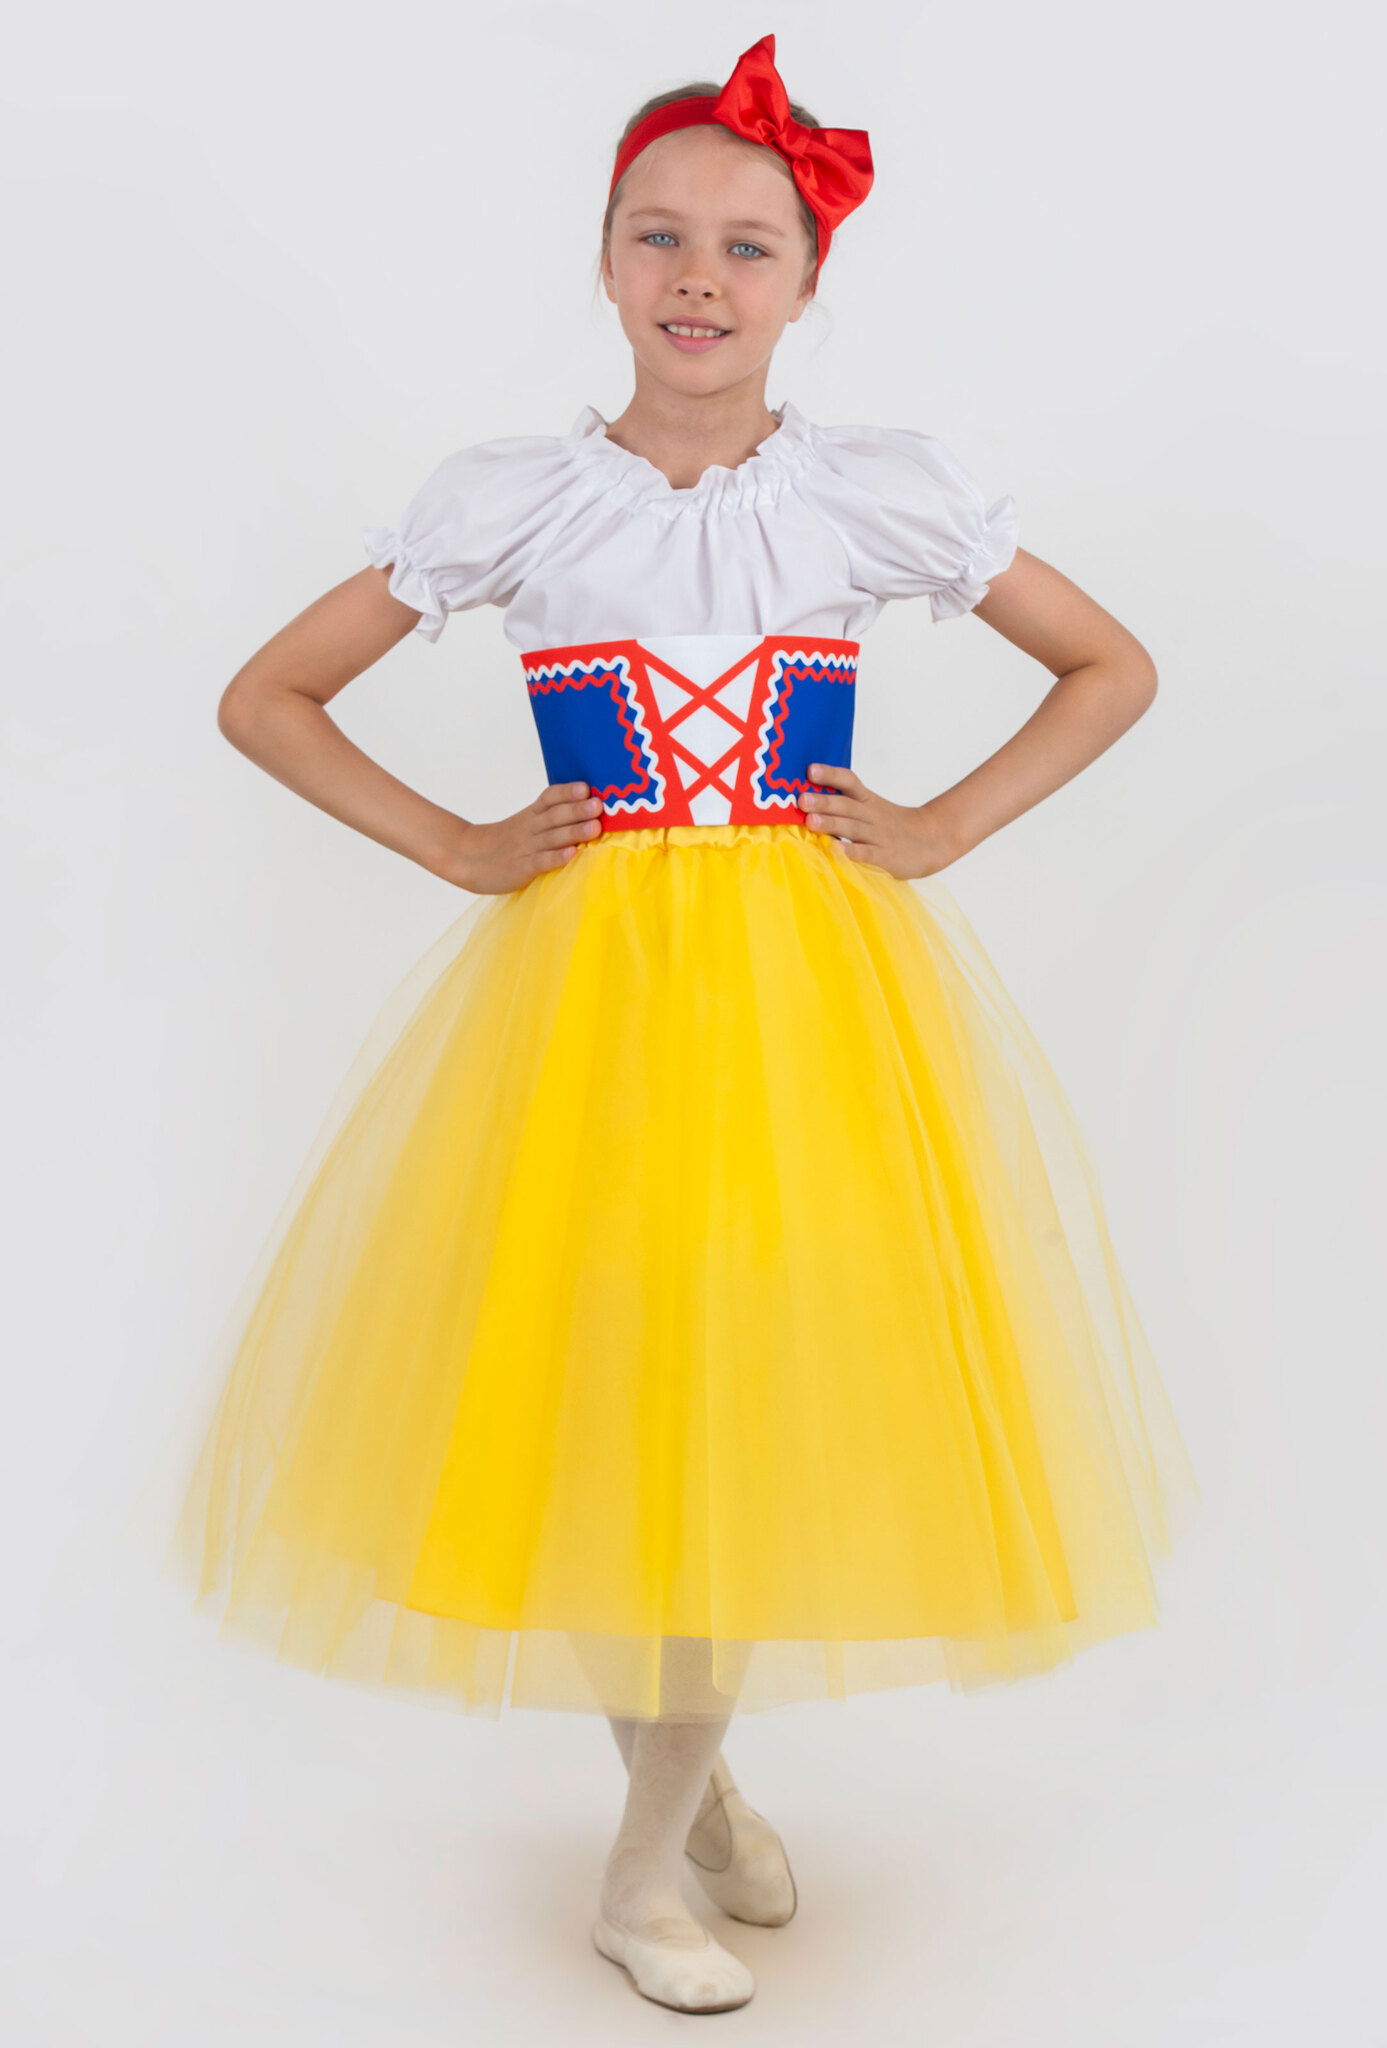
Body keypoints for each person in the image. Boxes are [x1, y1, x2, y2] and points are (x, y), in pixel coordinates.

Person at [167, 32, 1199, 2016]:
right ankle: (674, 1820)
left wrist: (941, 826)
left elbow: (1109, 664)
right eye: (659, 236)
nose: (699, 278)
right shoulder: (517, 503)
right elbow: (266, 697)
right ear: (604, 257)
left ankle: (648, 1852)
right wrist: (461, 844)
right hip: (587, 1012)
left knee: (744, 1391)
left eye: (747, 245)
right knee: (626, 1396)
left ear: (808, 284)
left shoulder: (872, 495)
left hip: (810, 1003)